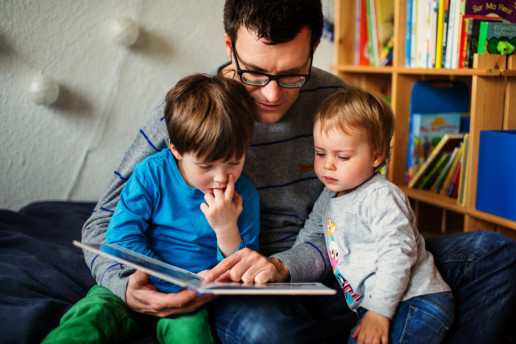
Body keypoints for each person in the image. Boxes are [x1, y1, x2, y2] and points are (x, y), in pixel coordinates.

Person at [81, 0, 516, 343]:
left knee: (496, 256)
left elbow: (336, 223)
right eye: (254, 73)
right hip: (240, 286)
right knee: (274, 333)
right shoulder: (194, 113)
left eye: (292, 75)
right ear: (230, 46)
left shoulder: (336, 103)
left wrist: (281, 266)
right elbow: (103, 222)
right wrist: (124, 286)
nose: (271, 94)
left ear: (313, 49)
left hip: (327, 266)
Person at [44, 74, 260, 343]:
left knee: (191, 334)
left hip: (192, 300)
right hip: (135, 283)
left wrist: (226, 228)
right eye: (206, 166)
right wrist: (170, 283)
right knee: (90, 317)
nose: (221, 177)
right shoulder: (152, 173)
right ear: (176, 150)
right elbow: (120, 238)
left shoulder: (245, 195)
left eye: (233, 162)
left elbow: (242, 271)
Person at [311, 87, 454, 343]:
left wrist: (378, 311)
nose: (328, 164)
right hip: (379, 305)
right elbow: (310, 233)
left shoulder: (380, 196)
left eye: (342, 156)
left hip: (414, 302)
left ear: (376, 156)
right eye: (320, 153)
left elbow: (397, 253)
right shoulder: (331, 194)